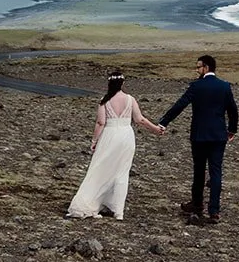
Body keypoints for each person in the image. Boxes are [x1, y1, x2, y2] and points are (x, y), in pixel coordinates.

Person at [65, 70, 165, 219]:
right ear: (122, 83)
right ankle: (119, 211)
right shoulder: (130, 99)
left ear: (109, 83)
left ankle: (92, 200)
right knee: (122, 172)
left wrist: (94, 141)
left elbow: (100, 122)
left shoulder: (104, 100)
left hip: (109, 135)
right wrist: (156, 129)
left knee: (100, 168)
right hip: (126, 136)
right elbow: (140, 119)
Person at [157, 53, 239, 223]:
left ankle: (197, 204)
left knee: (199, 171)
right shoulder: (224, 86)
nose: (196, 70)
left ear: (206, 68)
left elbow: (180, 105)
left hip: (199, 135)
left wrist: (164, 122)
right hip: (218, 135)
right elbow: (233, 110)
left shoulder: (196, 86)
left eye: (198, 67)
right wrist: (231, 130)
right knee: (216, 172)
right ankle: (214, 211)